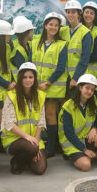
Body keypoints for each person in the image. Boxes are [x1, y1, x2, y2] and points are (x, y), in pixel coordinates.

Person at [31, 12, 68, 157]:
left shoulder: (62, 44)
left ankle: (51, 147)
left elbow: (61, 67)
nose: (53, 27)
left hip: (53, 88)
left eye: (56, 25)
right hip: (37, 87)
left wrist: (48, 82)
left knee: (50, 115)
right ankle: (48, 144)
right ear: (45, 26)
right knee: (41, 116)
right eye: (51, 24)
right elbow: (31, 63)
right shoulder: (35, 43)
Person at [1, 62, 48, 175]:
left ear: (35, 79)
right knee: (31, 148)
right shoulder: (11, 96)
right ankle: (17, 161)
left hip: (33, 140)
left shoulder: (40, 96)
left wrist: (36, 142)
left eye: (30, 77)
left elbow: (41, 122)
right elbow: (9, 124)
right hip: (13, 139)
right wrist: (28, 138)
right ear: (20, 79)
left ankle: (27, 157)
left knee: (40, 169)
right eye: (24, 77)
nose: (28, 80)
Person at [58, 73, 97, 172]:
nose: (90, 92)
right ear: (80, 88)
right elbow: (69, 133)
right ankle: (72, 155)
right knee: (86, 165)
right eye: (87, 88)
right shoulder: (68, 106)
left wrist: (94, 129)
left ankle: (84, 155)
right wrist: (85, 150)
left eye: (92, 89)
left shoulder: (92, 100)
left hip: (84, 138)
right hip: (70, 142)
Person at [60, 0, 93, 92]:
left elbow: (85, 59)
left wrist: (75, 78)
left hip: (78, 78)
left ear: (79, 14)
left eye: (73, 12)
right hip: (64, 78)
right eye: (68, 12)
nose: (70, 15)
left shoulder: (85, 33)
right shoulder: (63, 31)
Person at [82, 1, 97, 78]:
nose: (88, 15)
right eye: (86, 12)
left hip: (90, 74)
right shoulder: (77, 29)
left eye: (92, 13)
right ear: (82, 13)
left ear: (95, 16)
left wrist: (81, 60)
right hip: (74, 72)